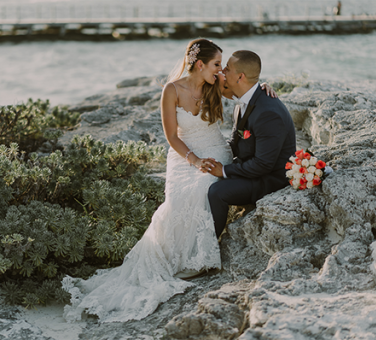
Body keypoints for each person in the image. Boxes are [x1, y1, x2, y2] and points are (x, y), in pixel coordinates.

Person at [62, 39, 278, 323]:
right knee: (178, 200)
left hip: (215, 151)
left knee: (205, 187)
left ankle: (200, 258)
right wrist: (194, 160)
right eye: (216, 65)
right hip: (183, 155)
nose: (220, 71)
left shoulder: (214, 85)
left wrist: (264, 87)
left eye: (222, 67)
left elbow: (243, 87)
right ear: (200, 64)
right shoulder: (171, 90)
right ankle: (174, 258)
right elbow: (172, 136)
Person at [201, 51, 296, 238]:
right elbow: (235, 142)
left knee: (216, 192)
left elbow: (263, 164)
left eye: (227, 68)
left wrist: (225, 171)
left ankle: (211, 245)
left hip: (270, 180)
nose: (222, 71)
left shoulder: (267, 112)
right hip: (252, 168)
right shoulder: (244, 100)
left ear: (240, 77)